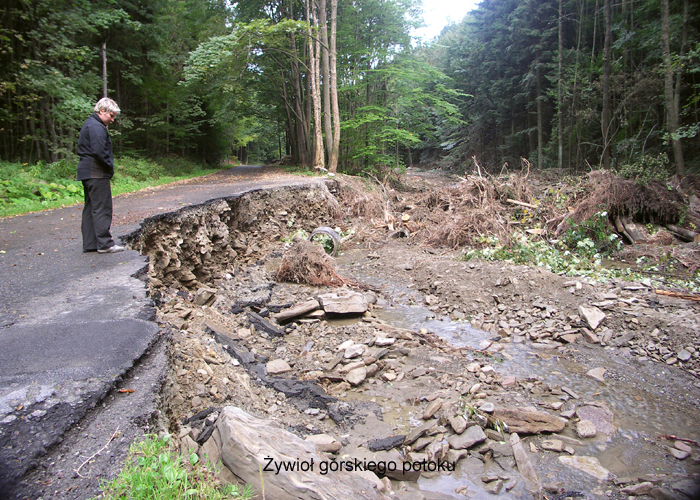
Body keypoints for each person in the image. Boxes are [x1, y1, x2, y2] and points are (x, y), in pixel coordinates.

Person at [77, 97, 124, 253]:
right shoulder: (96, 127)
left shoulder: (89, 124)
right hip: (96, 172)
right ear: (101, 111)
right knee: (102, 207)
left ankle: (91, 244)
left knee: (91, 207)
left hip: (87, 172)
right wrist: (109, 166)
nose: (112, 119)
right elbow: (99, 151)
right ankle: (105, 244)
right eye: (111, 115)